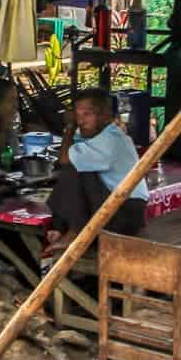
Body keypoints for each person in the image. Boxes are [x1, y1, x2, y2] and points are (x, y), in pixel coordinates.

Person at [44, 88, 149, 252]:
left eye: (87, 114)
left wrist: (70, 126)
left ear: (105, 115)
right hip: (121, 210)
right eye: (78, 116)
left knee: (74, 168)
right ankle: (61, 227)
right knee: (78, 167)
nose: (81, 121)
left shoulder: (110, 140)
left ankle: (74, 233)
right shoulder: (107, 135)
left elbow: (64, 159)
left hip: (125, 213)